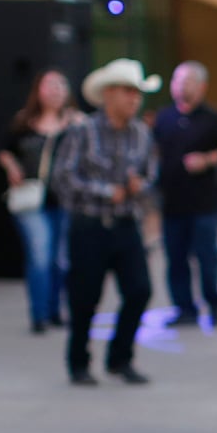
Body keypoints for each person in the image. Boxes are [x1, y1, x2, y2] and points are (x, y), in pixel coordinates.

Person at [50, 58, 161, 386]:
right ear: (109, 94)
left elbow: (150, 175)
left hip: (127, 225)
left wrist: (138, 188)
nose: (134, 99)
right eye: (128, 91)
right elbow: (63, 178)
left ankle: (120, 358)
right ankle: (79, 363)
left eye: (138, 93)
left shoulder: (142, 135)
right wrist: (104, 192)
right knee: (85, 298)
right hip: (90, 226)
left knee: (140, 290)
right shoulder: (82, 131)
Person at [0, 68, 81, 335]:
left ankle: (56, 309)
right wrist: (12, 168)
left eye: (61, 85)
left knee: (61, 259)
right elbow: (5, 150)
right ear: (39, 90)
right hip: (32, 199)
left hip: (65, 198)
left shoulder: (76, 124)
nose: (56, 90)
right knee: (40, 255)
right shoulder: (24, 122)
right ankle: (39, 313)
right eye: (50, 85)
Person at [153, 61, 217, 328]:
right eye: (177, 80)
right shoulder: (164, 118)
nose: (181, 86)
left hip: (205, 203)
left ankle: (214, 301)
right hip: (173, 203)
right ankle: (184, 308)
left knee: (207, 259)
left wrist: (208, 159)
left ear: (202, 86)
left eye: (187, 81)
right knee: (175, 259)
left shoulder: (215, 119)